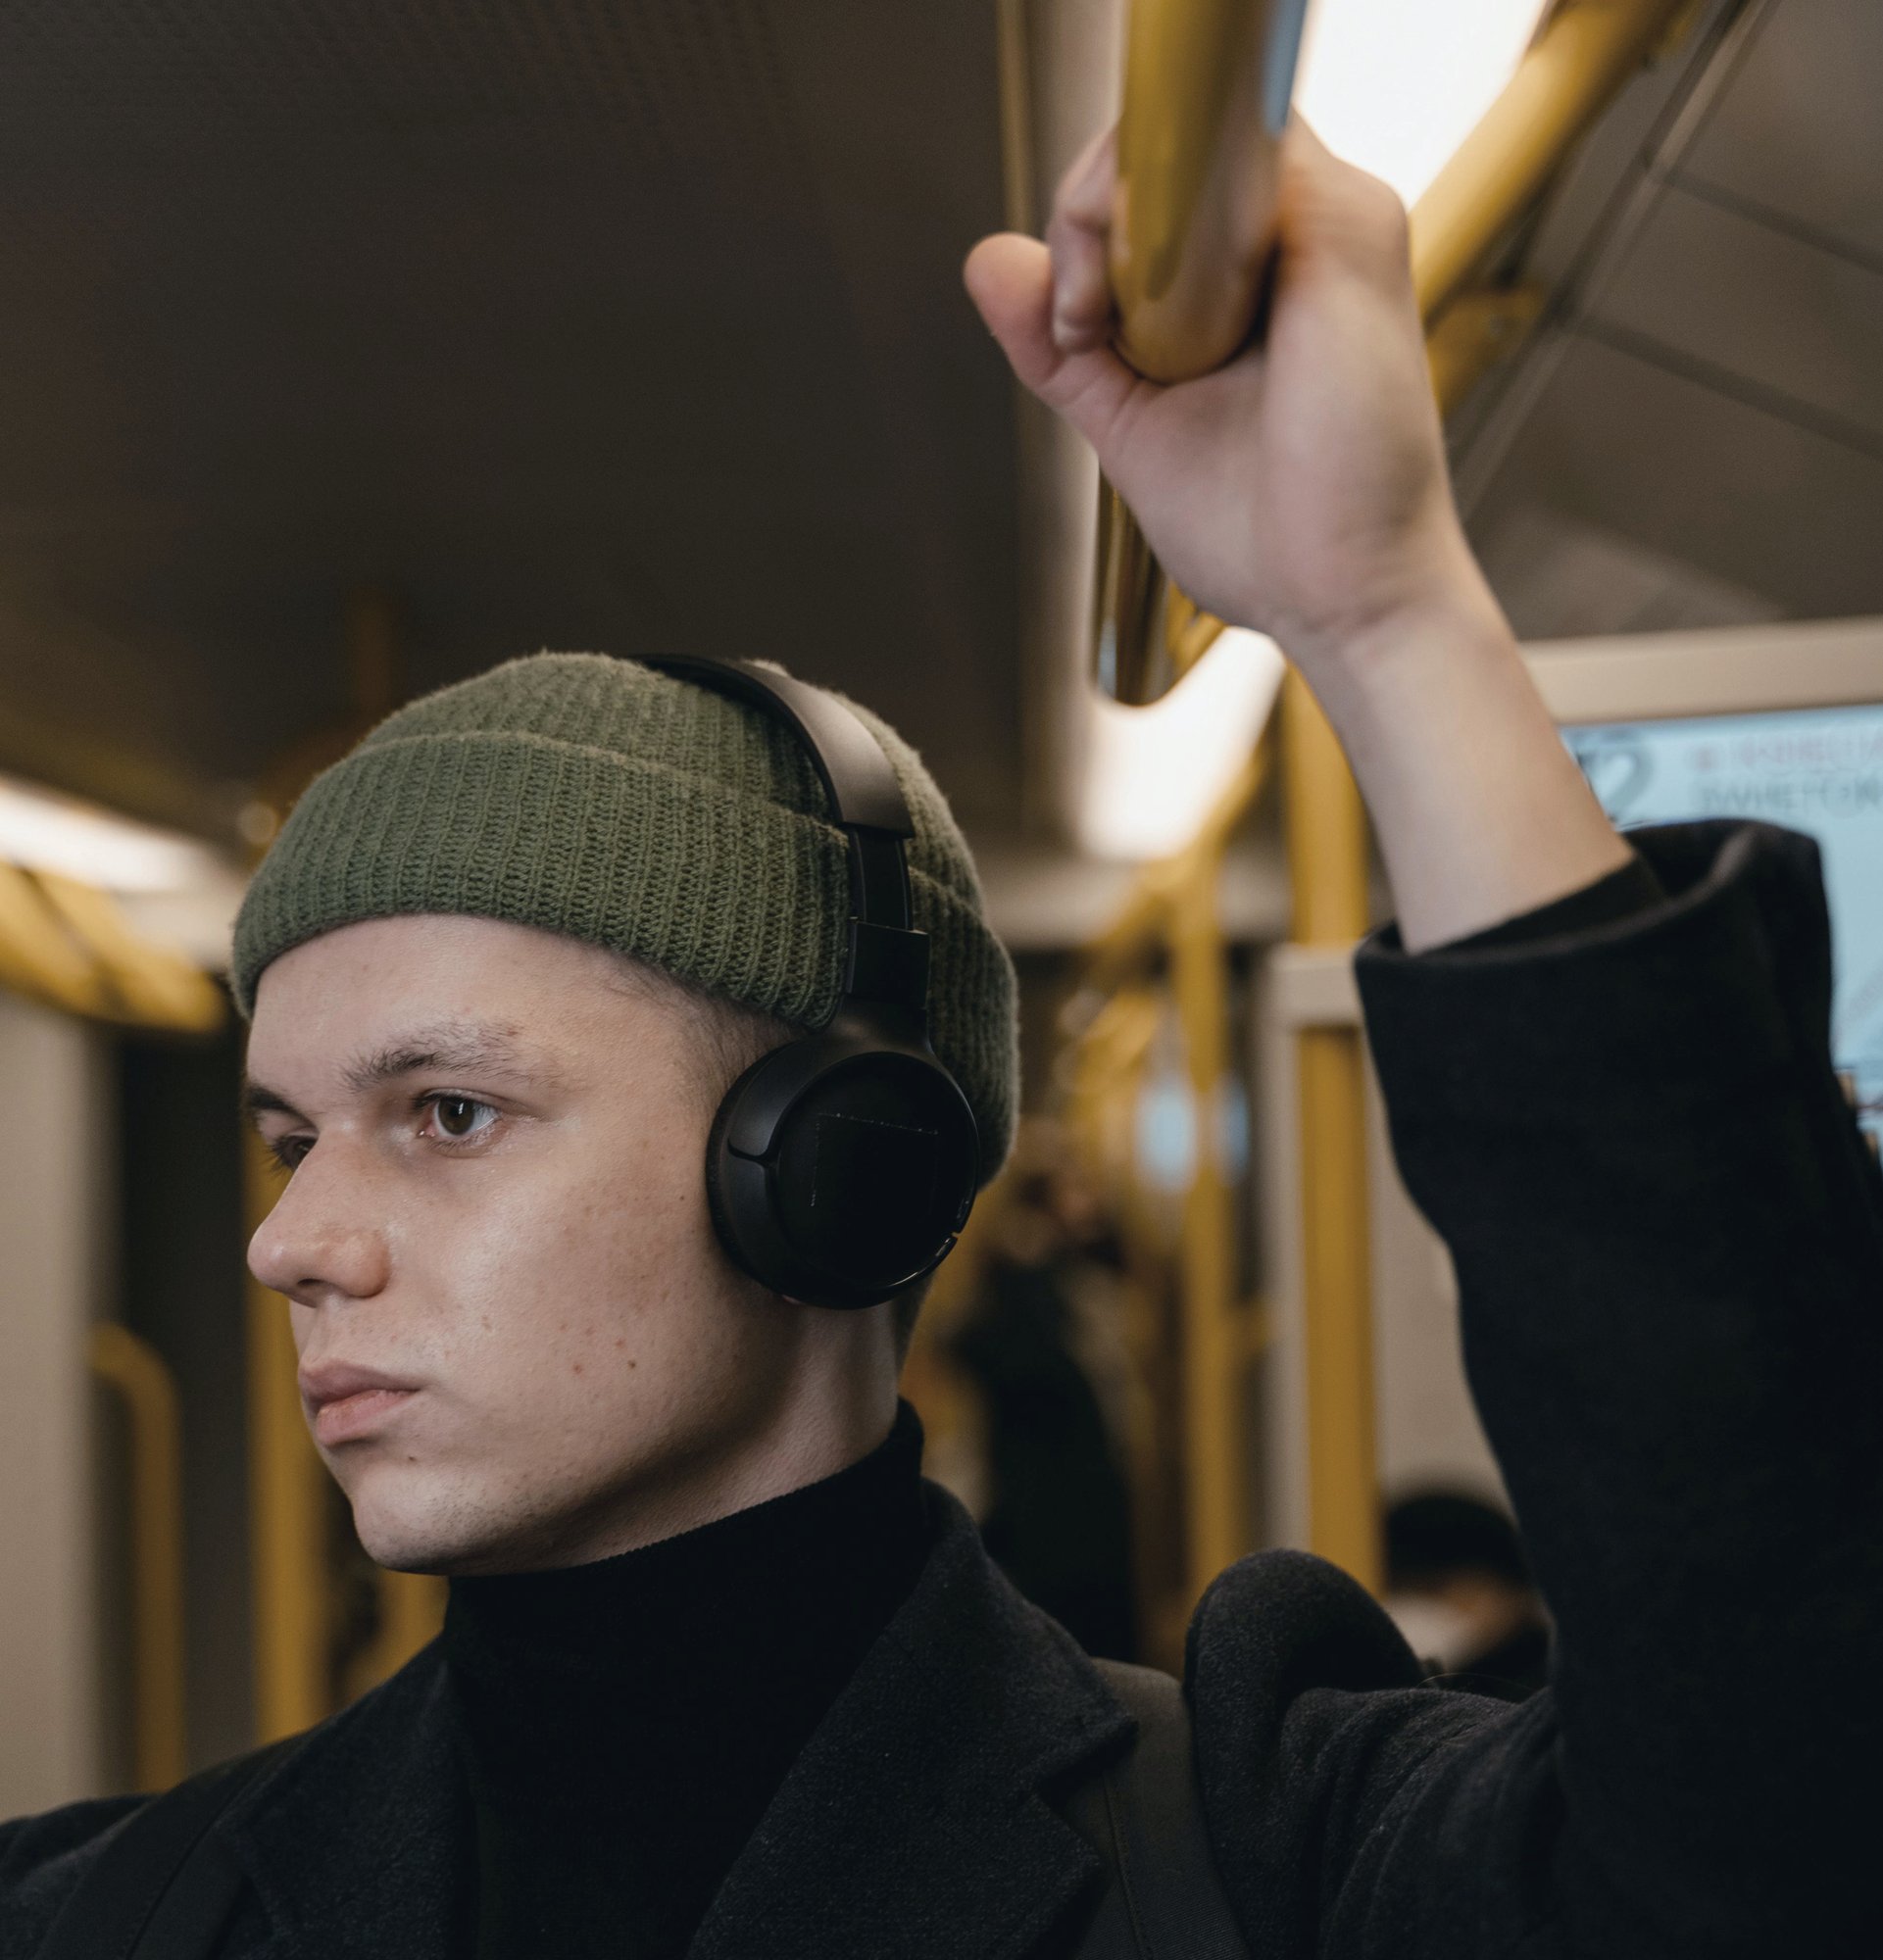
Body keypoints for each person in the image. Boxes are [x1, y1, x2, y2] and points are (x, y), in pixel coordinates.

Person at [4, 120, 1878, 1959]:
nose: (291, 1243)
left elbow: (1780, 1780)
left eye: (451, 1111)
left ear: (836, 1165)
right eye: (286, 1135)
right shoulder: (117, 1908)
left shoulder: (1266, 1858)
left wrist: (1384, 618)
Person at [1382, 1491, 1551, 1701]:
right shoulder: (1434, 1683)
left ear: (1510, 1591)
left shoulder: (1545, 1693)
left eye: (1435, 1588)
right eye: (1401, 1590)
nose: (1419, 1608)